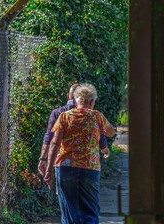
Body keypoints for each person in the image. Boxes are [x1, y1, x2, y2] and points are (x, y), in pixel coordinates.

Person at [44, 83, 115, 224]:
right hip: (89, 168)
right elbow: (111, 132)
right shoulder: (97, 116)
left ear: (75, 100)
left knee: (69, 213)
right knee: (89, 211)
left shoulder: (64, 117)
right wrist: (99, 128)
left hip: (65, 169)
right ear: (92, 102)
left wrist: (48, 170)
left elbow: (54, 143)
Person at [38, 84, 108, 176]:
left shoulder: (58, 113)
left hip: (64, 164)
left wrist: (43, 159)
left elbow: (49, 138)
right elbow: (100, 137)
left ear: (68, 96)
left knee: (64, 190)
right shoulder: (92, 114)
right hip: (87, 164)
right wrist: (106, 150)